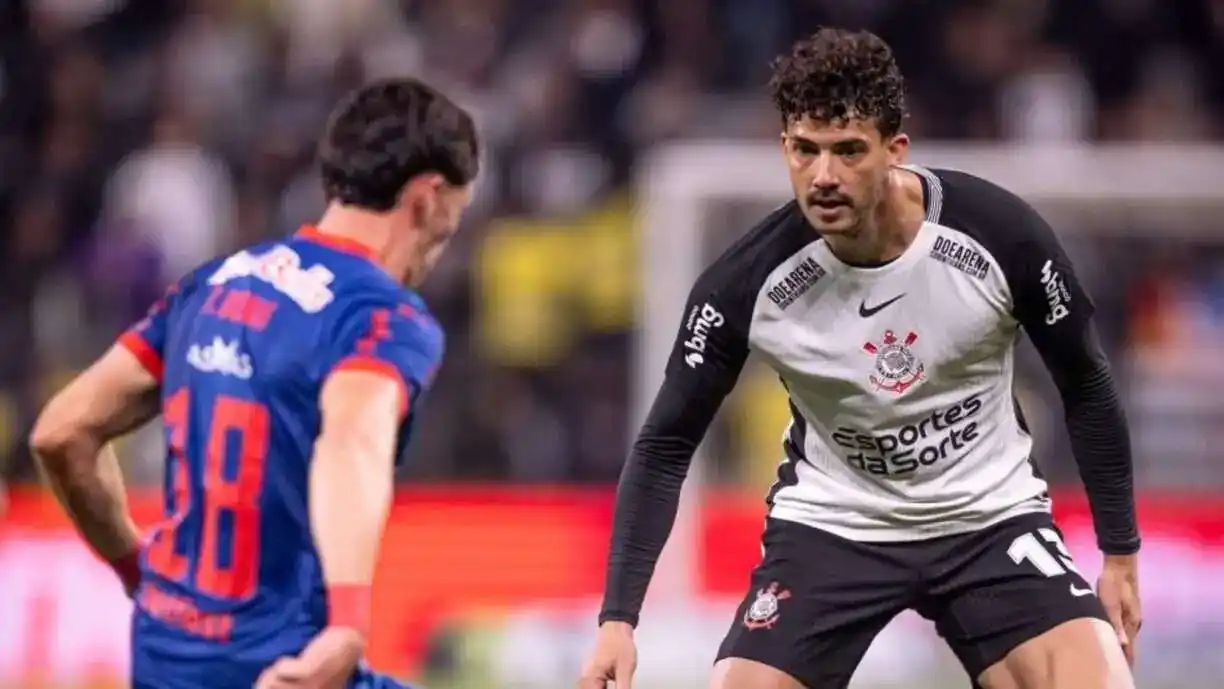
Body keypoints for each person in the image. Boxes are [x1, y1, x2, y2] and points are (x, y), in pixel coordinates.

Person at [579, 28, 1140, 689]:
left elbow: (1085, 381)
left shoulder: (999, 235)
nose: (823, 177)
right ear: (783, 147)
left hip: (988, 516)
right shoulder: (746, 285)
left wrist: (1120, 551)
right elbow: (666, 443)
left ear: (895, 150)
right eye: (804, 151)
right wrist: (618, 617)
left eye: (848, 151)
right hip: (833, 524)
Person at [29, 77, 478, 689]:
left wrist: (140, 574)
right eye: (447, 230)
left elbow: (62, 432)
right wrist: (346, 625)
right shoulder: (380, 316)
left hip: (164, 655)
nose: (435, 255)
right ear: (426, 199)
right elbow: (351, 442)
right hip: (284, 669)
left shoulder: (210, 287)